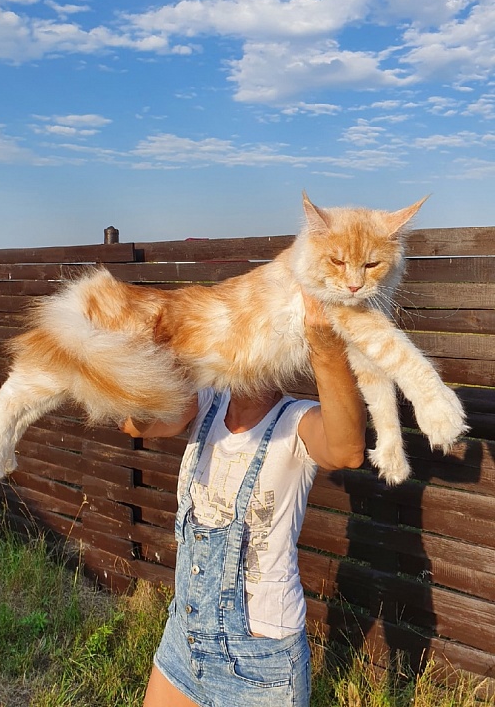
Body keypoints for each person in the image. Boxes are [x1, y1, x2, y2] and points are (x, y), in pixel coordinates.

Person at [120, 292, 367, 707]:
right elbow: (134, 423)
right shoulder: (202, 407)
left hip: (259, 660)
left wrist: (325, 345)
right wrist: (164, 353)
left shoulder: (296, 422)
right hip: (184, 635)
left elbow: (347, 451)